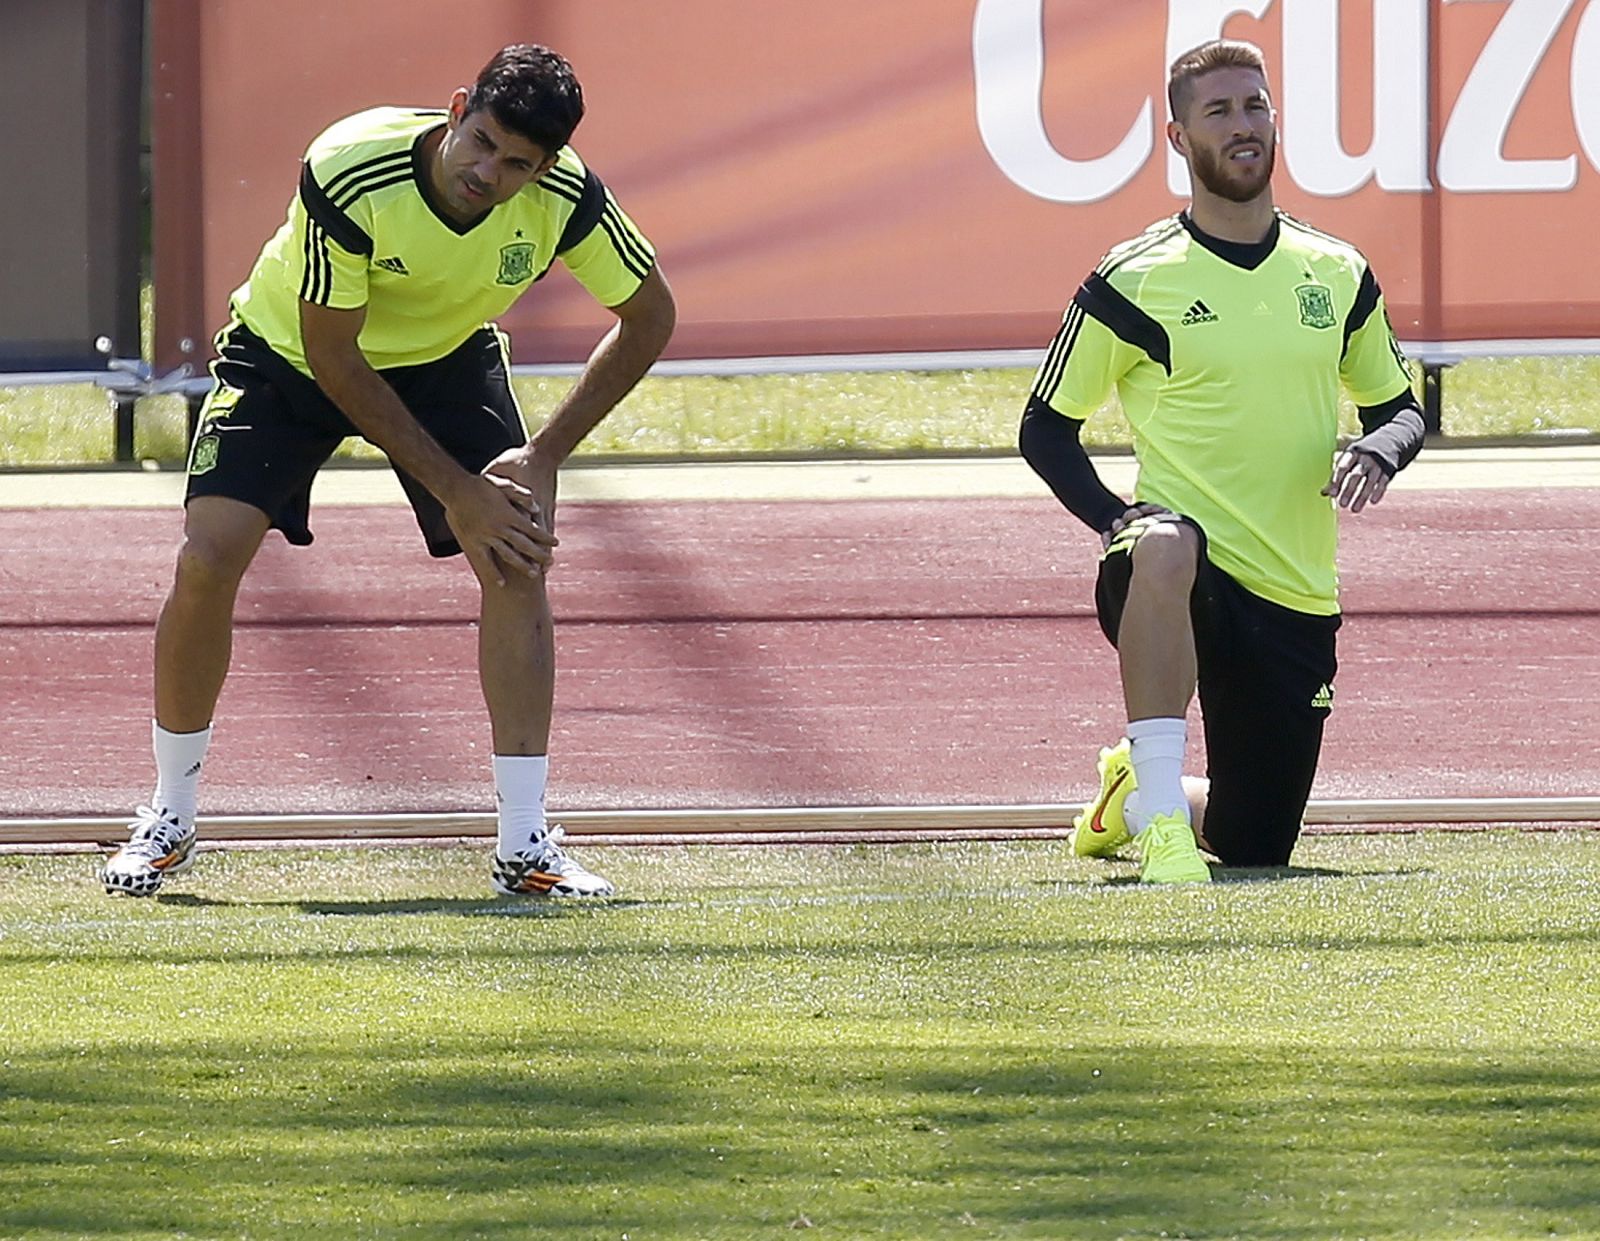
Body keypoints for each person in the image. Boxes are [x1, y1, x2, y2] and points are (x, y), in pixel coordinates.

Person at [101, 44, 675, 898]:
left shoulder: (566, 197)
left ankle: (525, 846)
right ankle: (168, 818)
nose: (490, 171)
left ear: (546, 166)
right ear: (455, 109)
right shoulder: (351, 165)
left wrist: (541, 455)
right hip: (294, 355)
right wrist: (458, 491)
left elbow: (650, 316)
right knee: (207, 555)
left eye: (518, 163)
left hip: (445, 358)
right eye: (481, 141)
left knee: (516, 555)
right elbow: (336, 359)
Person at [1019, 39, 1425, 883]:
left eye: (1255, 107)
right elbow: (1044, 426)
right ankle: (1164, 820)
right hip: (1176, 571)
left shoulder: (1336, 270)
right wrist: (1113, 517)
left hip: (1293, 588)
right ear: (1178, 139)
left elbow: (1400, 406)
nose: (1244, 127)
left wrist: (1380, 450)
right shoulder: (1134, 279)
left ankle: (1133, 795)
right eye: (1220, 111)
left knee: (1256, 844)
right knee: (1166, 542)